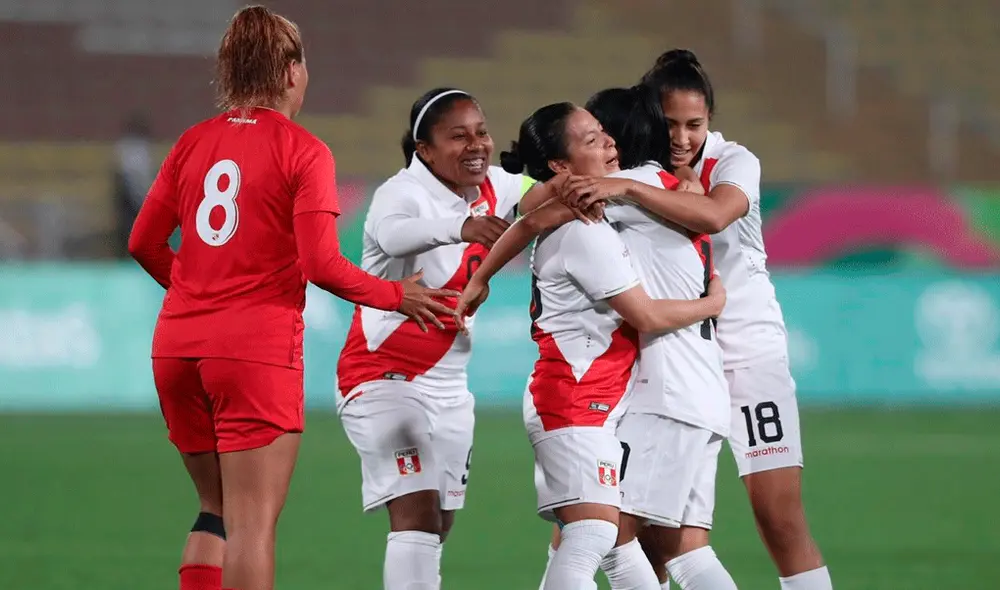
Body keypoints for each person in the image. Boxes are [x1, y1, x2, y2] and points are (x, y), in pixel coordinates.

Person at [127, 7, 457, 590]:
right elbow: (321, 264)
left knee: (215, 510)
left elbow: (142, 242)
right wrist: (394, 295)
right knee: (251, 526)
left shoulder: (193, 142)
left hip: (177, 346)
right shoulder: (303, 151)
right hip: (253, 351)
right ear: (289, 72)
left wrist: (198, 294)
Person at [563, 51, 832, 590]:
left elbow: (715, 214)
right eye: (670, 124)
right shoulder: (640, 170)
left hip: (749, 352)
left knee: (777, 515)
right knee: (658, 535)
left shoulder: (733, 162)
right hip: (674, 355)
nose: (683, 137)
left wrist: (629, 189)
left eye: (695, 124)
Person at [458, 86, 739, 590]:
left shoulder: (598, 205)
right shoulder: (597, 221)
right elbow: (644, 311)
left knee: (613, 542)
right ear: (560, 166)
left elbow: (531, 218)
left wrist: (481, 277)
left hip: (621, 397)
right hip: (587, 396)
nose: (607, 144)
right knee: (607, 536)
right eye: (592, 139)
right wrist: (712, 303)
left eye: (605, 133)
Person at [334, 87, 558, 590]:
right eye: (458, 136)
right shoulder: (400, 193)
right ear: (425, 150)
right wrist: (462, 226)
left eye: (481, 132)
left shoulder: (496, 183)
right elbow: (392, 235)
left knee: (438, 520)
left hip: (450, 386)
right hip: (381, 376)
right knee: (415, 508)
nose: (476, 145)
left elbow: (540, 196)